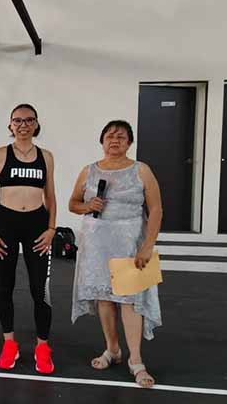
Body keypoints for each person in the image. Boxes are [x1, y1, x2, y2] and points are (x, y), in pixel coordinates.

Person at [69, 120, 163, 388]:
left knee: (129, 300)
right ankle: (112, 349)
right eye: (110, 136)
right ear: (102, 141)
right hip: (96, 244)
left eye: (121, 136)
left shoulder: (141, 170)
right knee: (104, 298)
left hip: (129, 245)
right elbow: (73, 204)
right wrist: (88, 205)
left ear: (129, 142)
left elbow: (156, 209)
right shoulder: (89, 170)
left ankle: (136, 360)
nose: (115, 140)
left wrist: (148, 245)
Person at [0, 104, 57, 373]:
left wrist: (51, 229)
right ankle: (9, 343)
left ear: (36, 124)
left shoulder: (46, 156)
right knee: (5, 286)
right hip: (5, 224)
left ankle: (42, 347)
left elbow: (51, 195)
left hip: (37, 225)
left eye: (28, 120)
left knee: (40, 289)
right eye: (18, 120)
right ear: (10, 125)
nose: (23, 125)